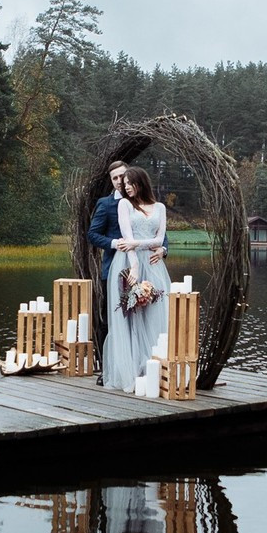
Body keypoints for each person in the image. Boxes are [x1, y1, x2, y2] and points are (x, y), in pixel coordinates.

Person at [101, 165, 171, 391]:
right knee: (130, 315)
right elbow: (127, 238)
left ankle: (154, 369)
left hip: (154, 263)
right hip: (129, 263)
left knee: (155, 312)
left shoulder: (159, 207)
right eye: (124, 184)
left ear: (141, 183)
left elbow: (159, 239)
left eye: (131, 183)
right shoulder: (123, 205)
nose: (127, 187)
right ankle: (130, 371)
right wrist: (134, 268)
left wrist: (140, 245)